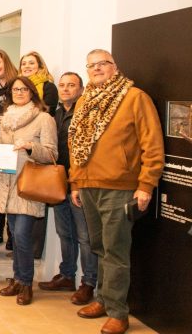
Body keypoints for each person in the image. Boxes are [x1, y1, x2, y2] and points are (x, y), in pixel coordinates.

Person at [70, 49, 164, 334]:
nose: (97, 69)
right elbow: (75, 142)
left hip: (120, 188)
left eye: (102, 64)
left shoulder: (134, 97)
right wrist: (75, 181)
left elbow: (153, 145)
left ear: (115, 66)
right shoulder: (84, 100)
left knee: (116, 252)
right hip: (87, 186)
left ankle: (118, 313)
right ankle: (102, 299)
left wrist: (146, 184)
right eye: (91, 66)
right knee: (99, 248)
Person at [0, 77, 57, 306]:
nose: (19, 92)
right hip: (8, 184)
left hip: (28, 184)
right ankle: (17, 278)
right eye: (15, 89)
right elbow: (7, 148)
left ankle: (26, 283)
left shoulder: (44, 118)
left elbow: (51, 154)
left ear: (32, 92)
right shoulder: (6, 119)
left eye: (23, 89)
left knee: (24, 236)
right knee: (15, 237)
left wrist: (31, 146)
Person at [37, 72, 97, 305]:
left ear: (81, 89)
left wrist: (79, 182)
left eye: (71, 85)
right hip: (57, 181)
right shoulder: (54, 113)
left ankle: (89, 282)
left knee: (85, 236)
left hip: (79, 181)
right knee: (65, 233)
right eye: (62, 85)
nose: (65, 89)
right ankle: (67, 275)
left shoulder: (86, 114)